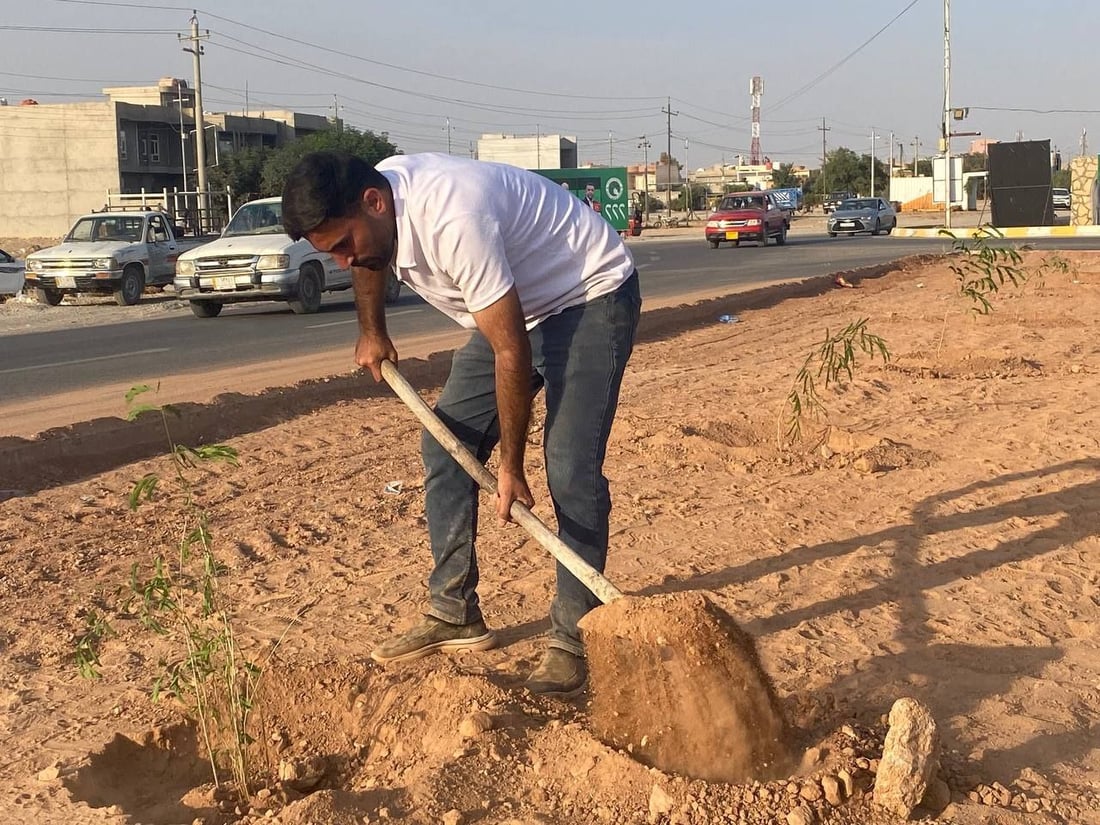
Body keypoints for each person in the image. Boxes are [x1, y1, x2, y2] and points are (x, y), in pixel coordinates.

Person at [281, 151, 641, 697]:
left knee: (569, 468)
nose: (341, 263)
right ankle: (454, 612)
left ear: (373, 203)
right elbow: (369, 262)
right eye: (329, 253)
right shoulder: (376, 211)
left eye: (342, 245)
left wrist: (511, 465)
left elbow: (510, 352)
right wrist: (371, 330)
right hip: (517, 311)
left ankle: (574, 637)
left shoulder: (454, 217)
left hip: (587, 296)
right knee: (445, 447)